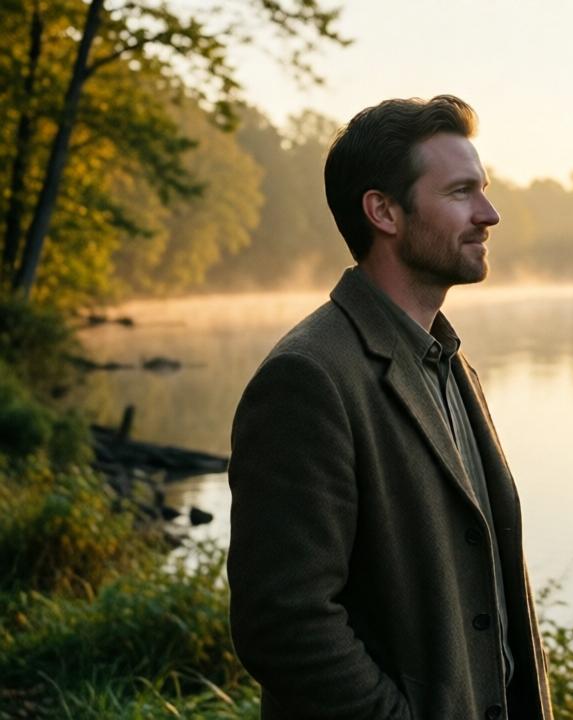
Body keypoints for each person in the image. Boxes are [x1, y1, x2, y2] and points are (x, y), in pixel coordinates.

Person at [227, 95, 553, 720]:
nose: (489, 214)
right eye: (461, 192)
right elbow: (284, 625)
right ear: (383, 212)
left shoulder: (451, 362)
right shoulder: (308, 378)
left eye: (483, 189)